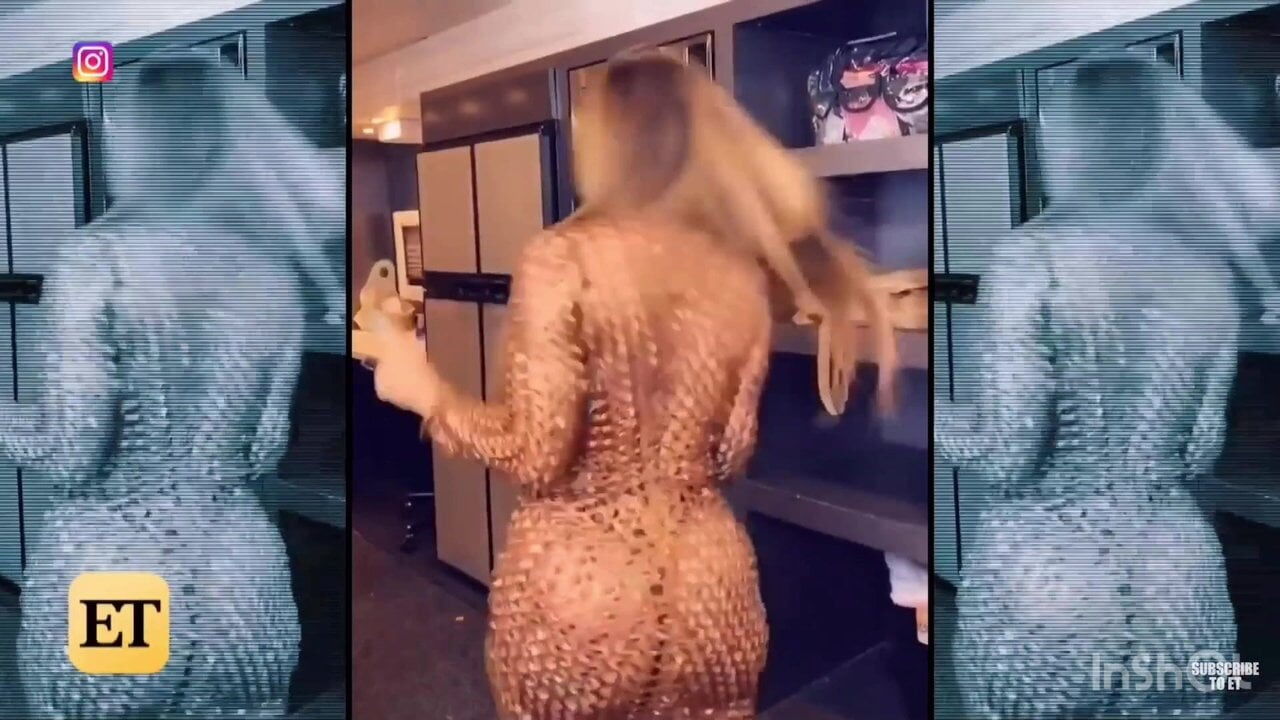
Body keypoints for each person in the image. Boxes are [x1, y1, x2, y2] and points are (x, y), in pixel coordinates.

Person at [368, 51, 897, 719]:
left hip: (583, 600)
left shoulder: (564, 258)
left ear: (609, 144)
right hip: (712, 591)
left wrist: (425, 392)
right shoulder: (735, 272)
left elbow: (536, 454)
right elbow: (730, 454)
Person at [1, 49, 344, 718]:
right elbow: (264, 450)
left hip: (120, 576)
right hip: (241, 587)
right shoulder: (270, 270)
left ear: (138, 138)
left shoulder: (97, 259)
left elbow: (68, 454)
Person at [937, 51, 1280, 719]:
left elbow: (1006, 453)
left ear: (1071, 140)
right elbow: (1198, 453)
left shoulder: (1031, 257)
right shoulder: (1208, 268)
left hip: (1049, 589)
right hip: (1181, 588)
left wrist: (923, 408)